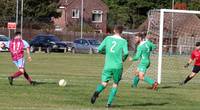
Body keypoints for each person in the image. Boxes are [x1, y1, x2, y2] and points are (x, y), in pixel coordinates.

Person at [90, 25, 129, 107]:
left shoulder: (108, 38)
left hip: (108, 65)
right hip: (118, 66)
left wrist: (105, 53)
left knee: (104, 83)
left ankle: (96, 92)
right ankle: (108, 104)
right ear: (121, 32)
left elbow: (99, 49)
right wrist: (123, 59)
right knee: (115, 84)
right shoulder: (124, 41)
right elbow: (126, 53)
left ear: (114, 30)